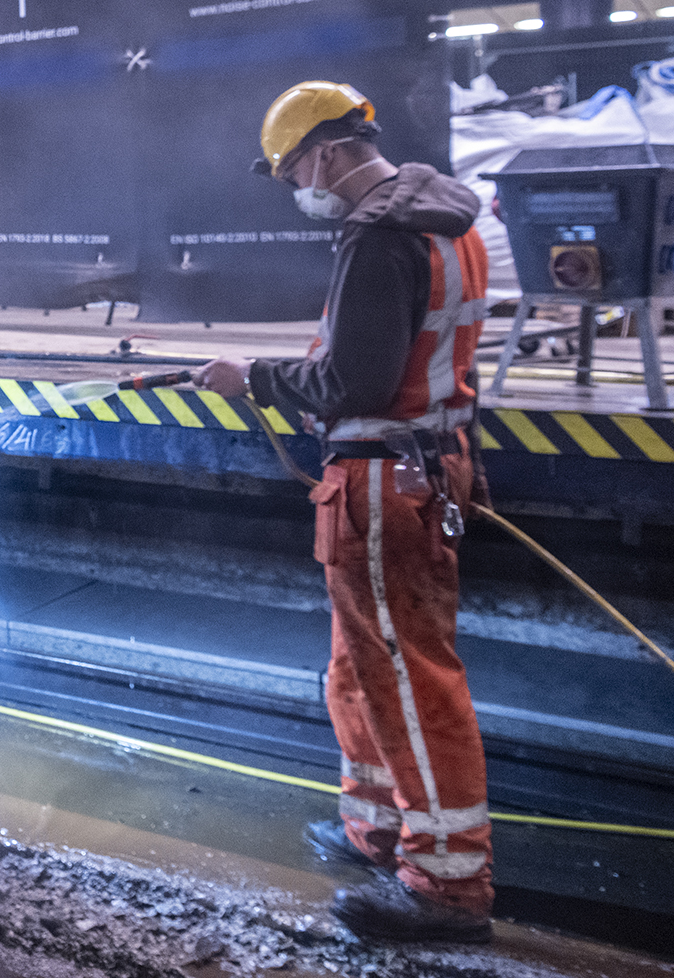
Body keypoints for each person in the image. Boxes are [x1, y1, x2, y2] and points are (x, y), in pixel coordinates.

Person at [197, 80, 493, 944]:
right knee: (362, 667)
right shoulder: (452, 223)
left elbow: (353, 383)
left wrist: (251, 379)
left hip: (381, 481)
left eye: (293, 170)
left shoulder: (376, 237)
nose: (298, 188)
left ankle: (446, 887)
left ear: (325, 154)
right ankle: (381, 829)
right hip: (426, 465)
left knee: (405, 680)